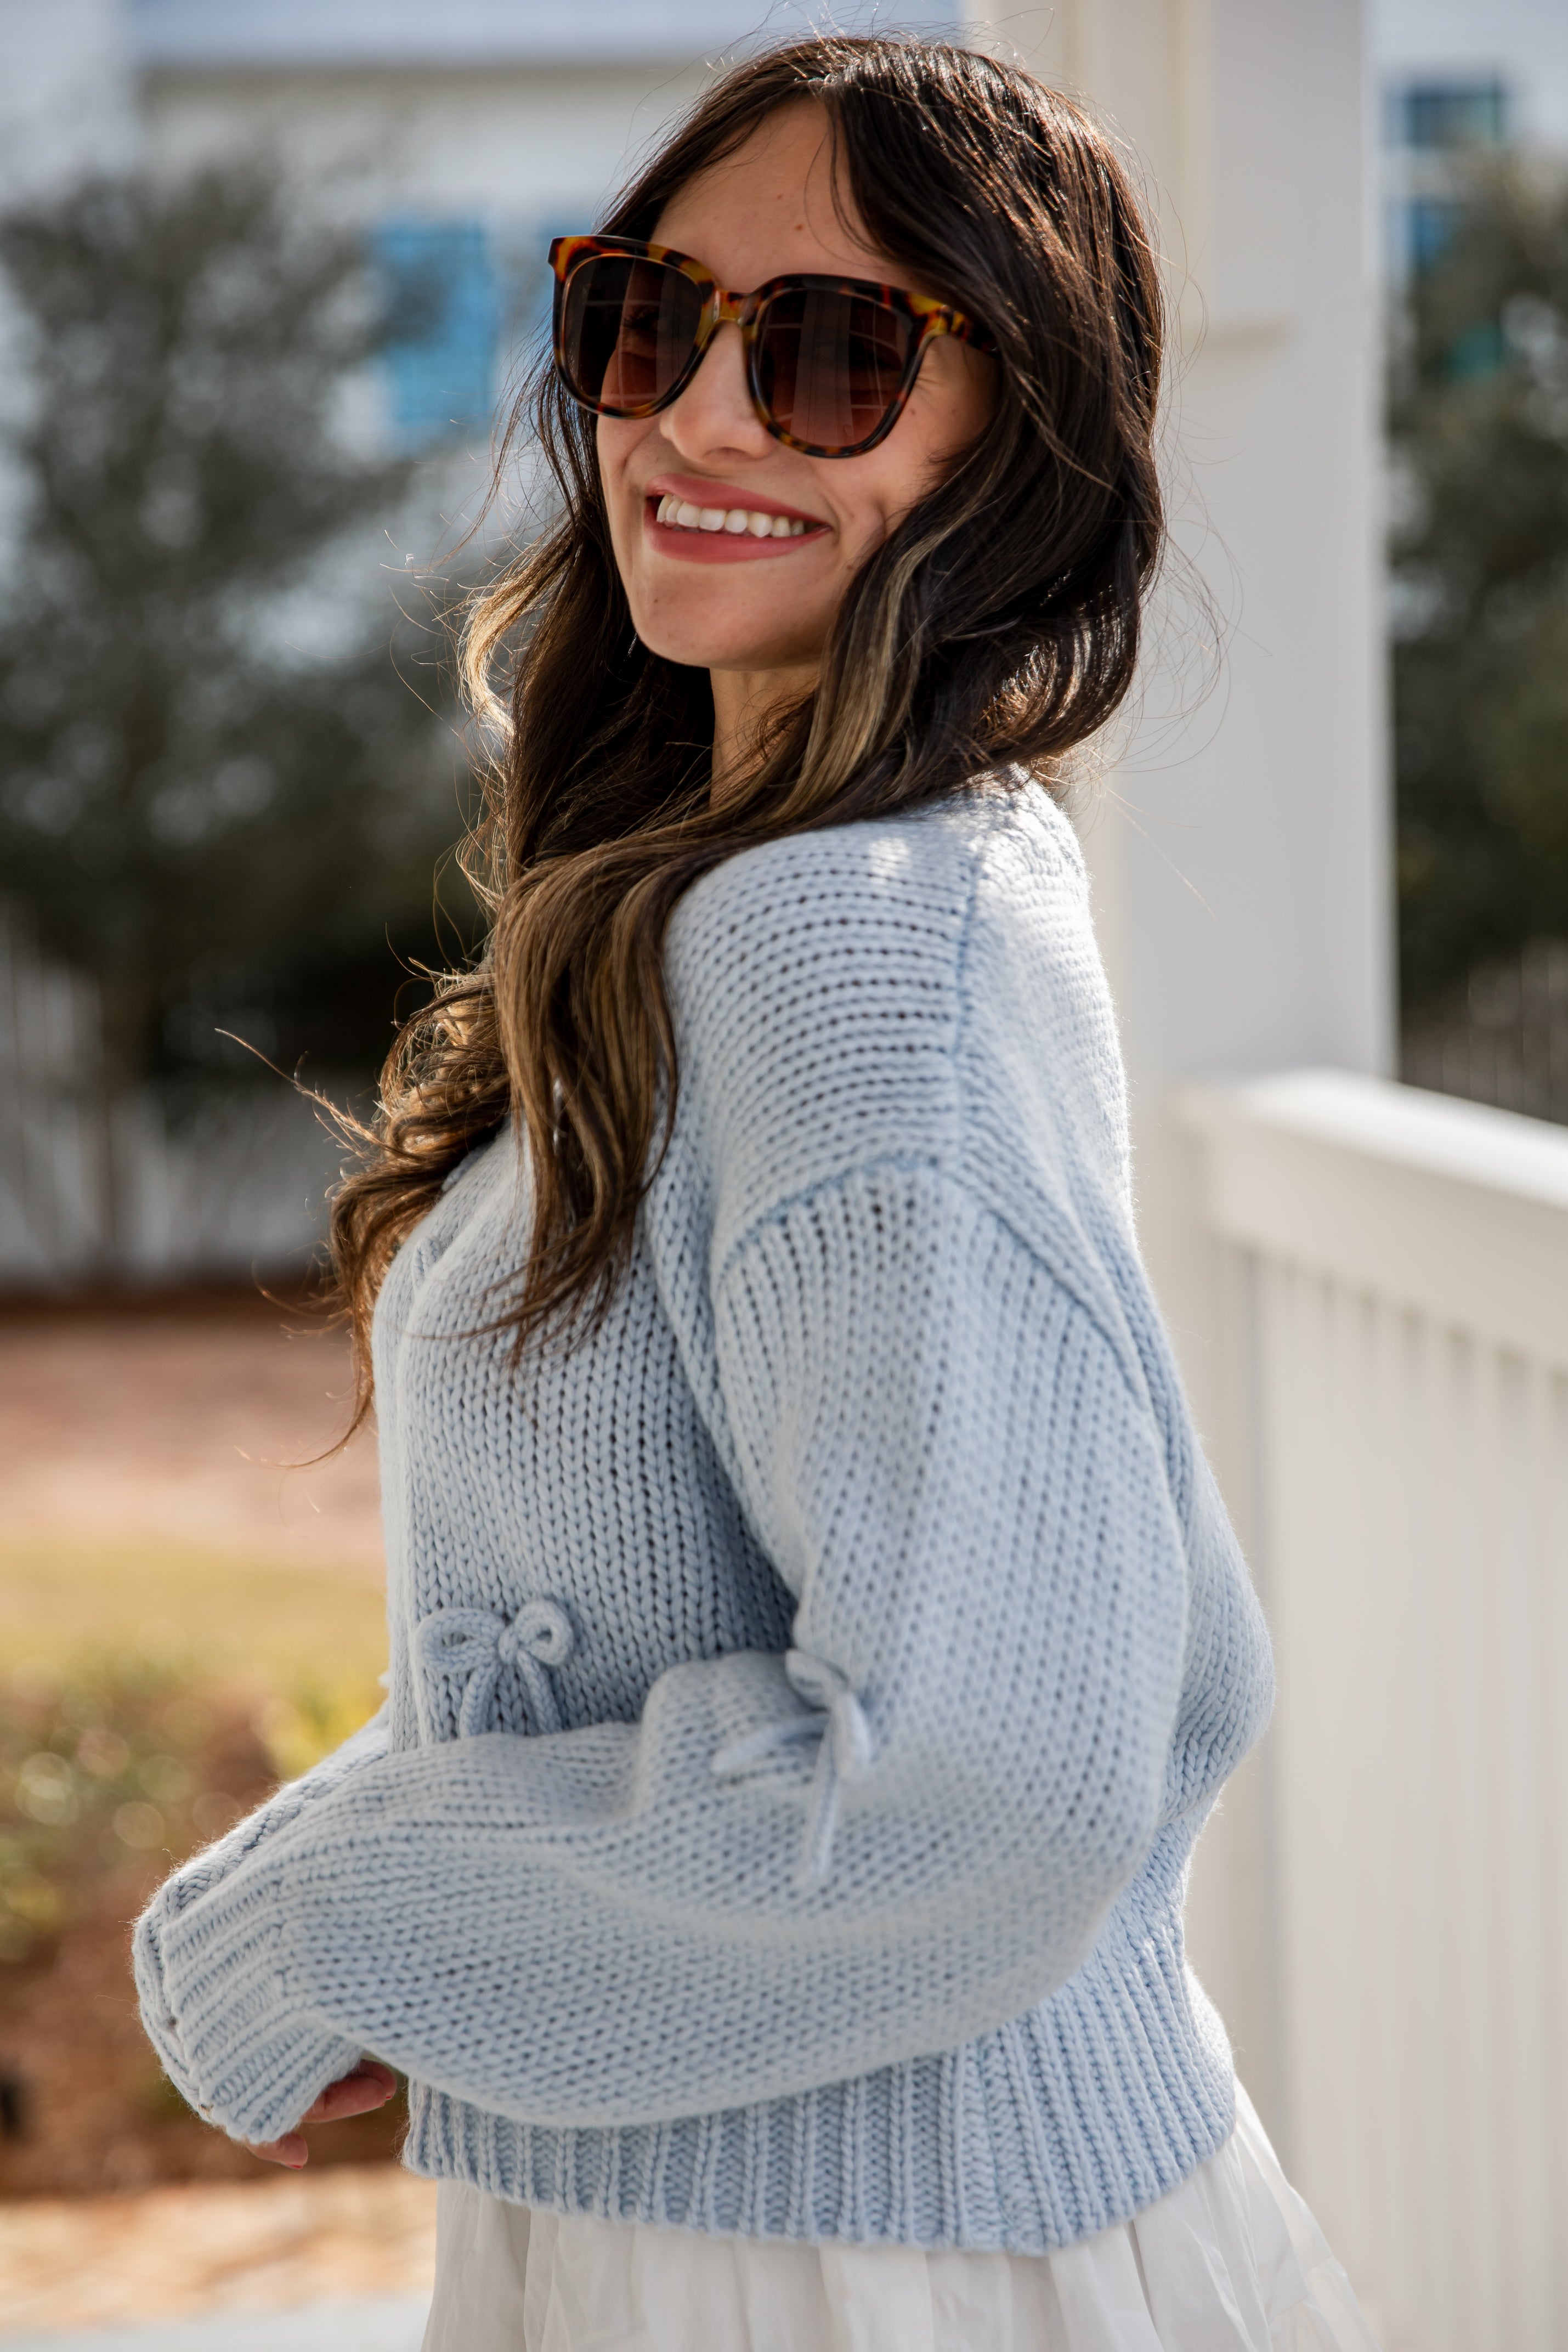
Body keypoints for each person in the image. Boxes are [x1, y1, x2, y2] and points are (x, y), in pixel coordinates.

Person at [134, 36, 1383, 2351]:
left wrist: (334, 1916)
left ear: (1009, 440)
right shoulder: (850, 872)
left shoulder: (836, 949)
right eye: (645, 319)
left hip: (836, 2262)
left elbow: (992, 1785)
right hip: (811, 2189)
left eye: (825, 354)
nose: (695, 417)